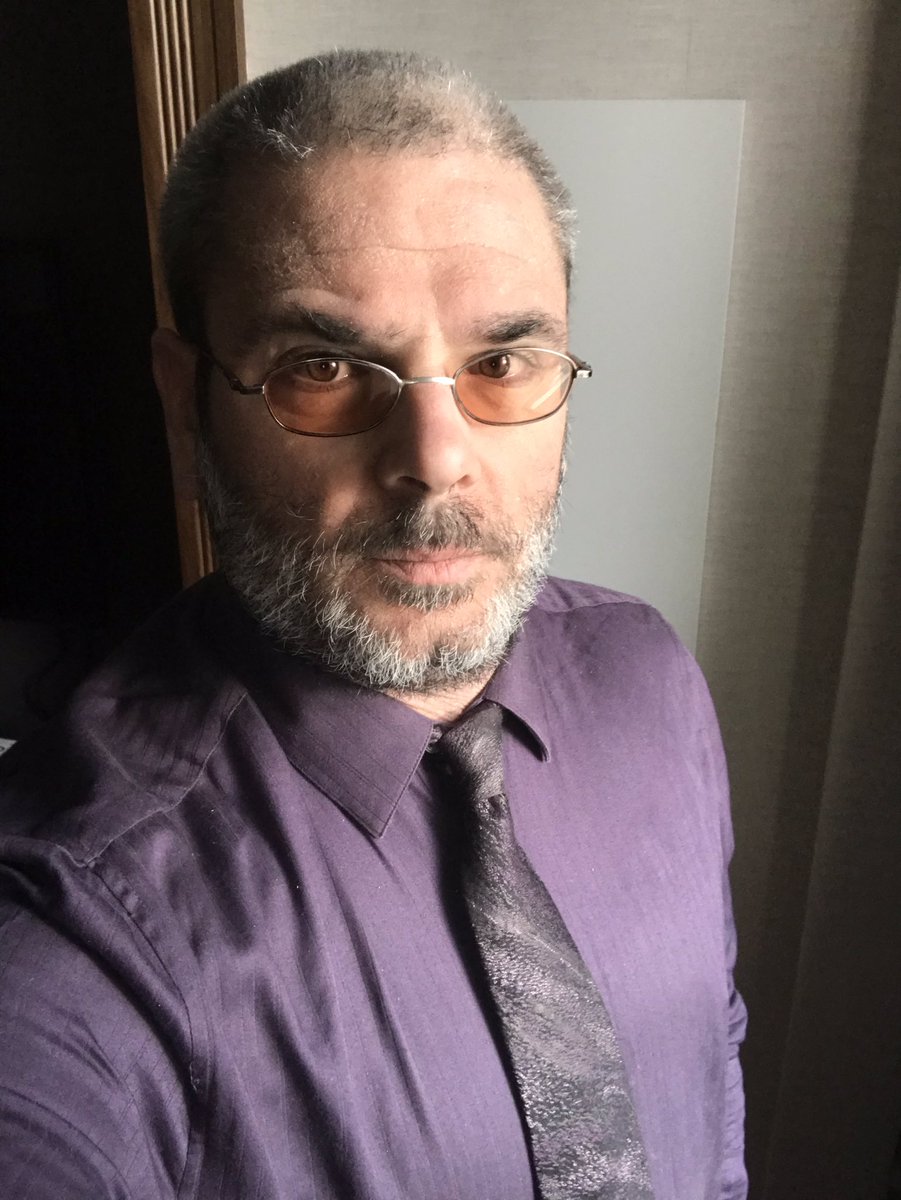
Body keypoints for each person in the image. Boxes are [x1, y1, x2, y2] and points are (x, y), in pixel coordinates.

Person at [0, 49, 746, 1199]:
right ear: (185, 402)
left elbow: (707, 1061)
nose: (435, 461)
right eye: (324, 367)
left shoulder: (646, 675)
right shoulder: (76, 918)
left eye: (502, 361)